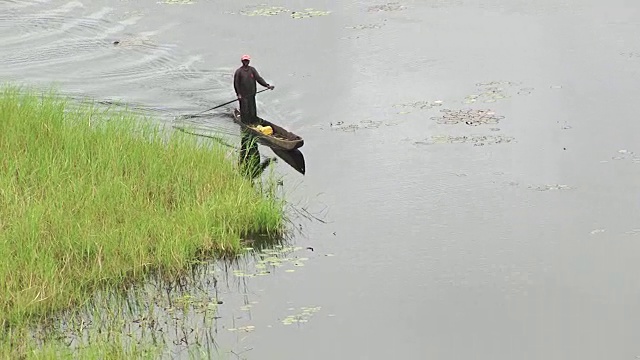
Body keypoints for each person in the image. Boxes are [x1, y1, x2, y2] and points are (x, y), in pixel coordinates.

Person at [233, 54, 274, 125]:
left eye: (247, 61)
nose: (246, 62)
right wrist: (238, 94)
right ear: (242, 61)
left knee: (252, 110)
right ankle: (245, 124)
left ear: (249, 61)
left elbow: (259, 79)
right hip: (243, 96)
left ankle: (254, 122)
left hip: (252, 94)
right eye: (244, 61)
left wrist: (267, 85)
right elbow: (236, 84)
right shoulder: (239, 71)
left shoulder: (252, 70)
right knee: (245, 111)